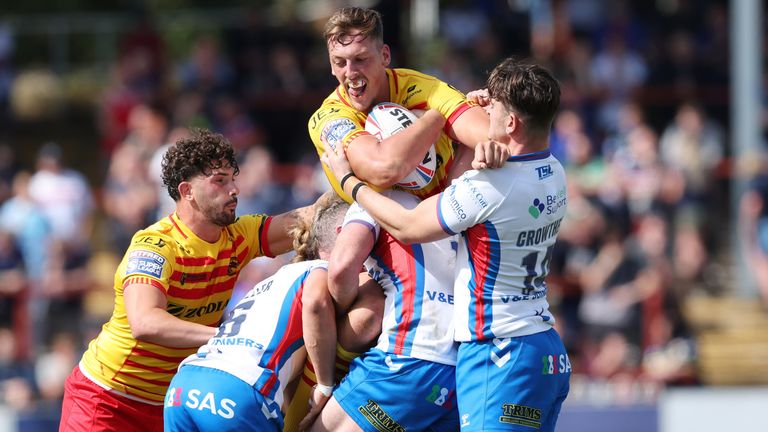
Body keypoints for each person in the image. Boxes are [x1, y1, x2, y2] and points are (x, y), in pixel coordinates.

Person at [323, 58, 571, 431]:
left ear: (511, 123)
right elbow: (467, 178)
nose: (482, 116)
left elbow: (406, 226)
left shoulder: (491, 187)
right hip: (543, 348)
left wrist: (351, 182)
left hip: (499, 350)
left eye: (494, 110)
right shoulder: (555, 171)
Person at [59, 129, 315, 432]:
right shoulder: (155, 245)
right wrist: (226, 338)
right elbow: (145, 323)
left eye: (233, 178)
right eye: (219, 181)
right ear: (187, 191)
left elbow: (312, 219)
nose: (234, 189)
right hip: (107, 398)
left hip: (169, 400)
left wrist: (356, 183)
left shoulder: (240, 235)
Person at [163, 192, 348, 431]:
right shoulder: (319, 271)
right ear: (341, 234)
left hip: (184, 386)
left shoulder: (275, 279)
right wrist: (324, 384)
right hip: (239, 390)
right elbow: (315, 304)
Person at [302, 189, 461, 431]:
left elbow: (341, 270)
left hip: (407, 360)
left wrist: (337, 312)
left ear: (342, 233)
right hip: (460, 372)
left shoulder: (375, 200)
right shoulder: (449, 204)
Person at [308, 6, 494, 203]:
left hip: (445, 213)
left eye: (360, 59)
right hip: (377, 224)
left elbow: (492, 137)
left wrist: (488, 135)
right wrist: (431, 119)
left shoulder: (424, 88)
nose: (350, 72)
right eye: (339, 62)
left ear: (385, 56)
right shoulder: (330, 117)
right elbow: (384, 169)